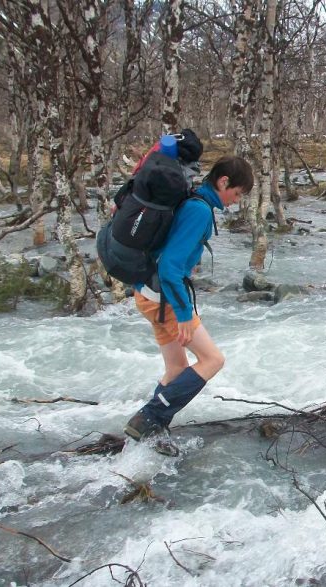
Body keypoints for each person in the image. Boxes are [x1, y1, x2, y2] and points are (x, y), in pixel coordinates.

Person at [124, 155, 253, 450]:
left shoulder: (192, 199)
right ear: (223, 182)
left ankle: (150, 434)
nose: (236, 201)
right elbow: (170, 265)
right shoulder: (199, 211)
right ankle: (149, 418)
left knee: (176, 369)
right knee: (212, 360)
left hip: (147, 292)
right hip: (165, 299)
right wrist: (183, 314)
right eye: (237, 193)